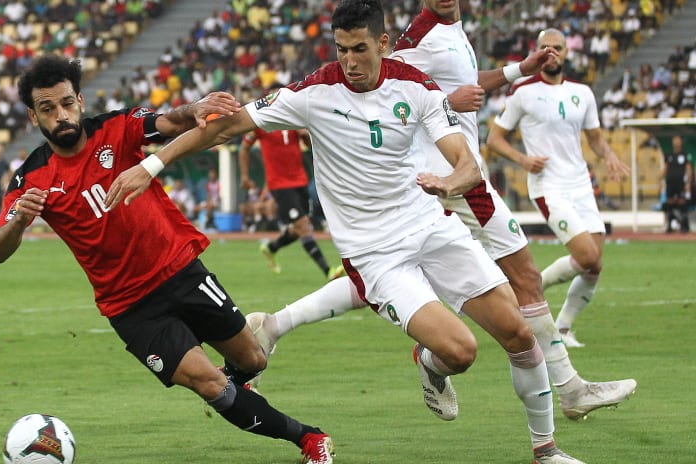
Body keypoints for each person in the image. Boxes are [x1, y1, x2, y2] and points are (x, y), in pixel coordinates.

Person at [105, 2, 584, 462]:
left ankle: (547, 452)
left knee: (519, 334)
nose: (350, 62)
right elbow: (223, 128)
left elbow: (465, 162)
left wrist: (449, 182)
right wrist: (153, 162)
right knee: (461, 352)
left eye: (360, 49)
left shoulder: (416, 87)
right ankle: (432, 363)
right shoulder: (313, 93)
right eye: (341, 49)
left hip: (429, 225)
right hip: (374, 254)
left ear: (383, 43)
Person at [244, 0, 636, 424]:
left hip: (455, 173)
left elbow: (462, 83)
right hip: (446, 175)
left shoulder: (452, 30)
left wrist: (518, 70)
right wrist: (451, 102)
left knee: (387, 272)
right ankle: (569, 388)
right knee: (522, 276)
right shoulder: (420, 34)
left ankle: (274, 326)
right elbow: (380, 86)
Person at [0, 55, 334, 464]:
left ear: (79, 100)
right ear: (33, 116)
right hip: (131, 307)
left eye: (66, 103)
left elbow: (169, 122)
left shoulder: (116, 127)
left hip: (179, 269)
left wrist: (195, 109)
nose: (60, 115)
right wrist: (19, 221)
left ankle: (241, 388)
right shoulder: (31, 178)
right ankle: (310, 439)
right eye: (48, 109)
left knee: (253, 359)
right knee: (210, 384)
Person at [486, 28, 631, 348]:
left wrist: (609, 157)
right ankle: (531, 290)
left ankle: (563, 328)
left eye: (557, 47)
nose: (551, 52)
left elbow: (594, 137)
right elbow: (494, 140)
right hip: (548, 186)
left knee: (594, 265)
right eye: (545, 47)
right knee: (585, 255)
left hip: (580, 184)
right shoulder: (522, 92)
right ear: (536, 51)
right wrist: (523, 160)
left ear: (566, 53)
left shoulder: (583, 92)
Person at [238, 83, 344, 280]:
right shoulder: (261, 122)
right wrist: (245, 177)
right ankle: (328, 272)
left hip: (300, 180)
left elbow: (309, 144)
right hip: (279, 184)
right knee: (304, 226)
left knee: (298, 228)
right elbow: (243, 148)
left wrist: (306, 136)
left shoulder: (294, 119)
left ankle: (271, 247)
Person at [660, 135, 692, 233]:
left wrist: (688, 182)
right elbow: (665, 169)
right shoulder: (669, 155)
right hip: (670, 183)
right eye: (675, 140)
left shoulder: (685, 154)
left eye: (678, 140)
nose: (676, 142)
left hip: (680, 183)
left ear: (681, 142)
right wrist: (660, 180)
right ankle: (669, 225)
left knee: (682, 202)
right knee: (669, 203)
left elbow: (689, 169)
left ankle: (684, 225)